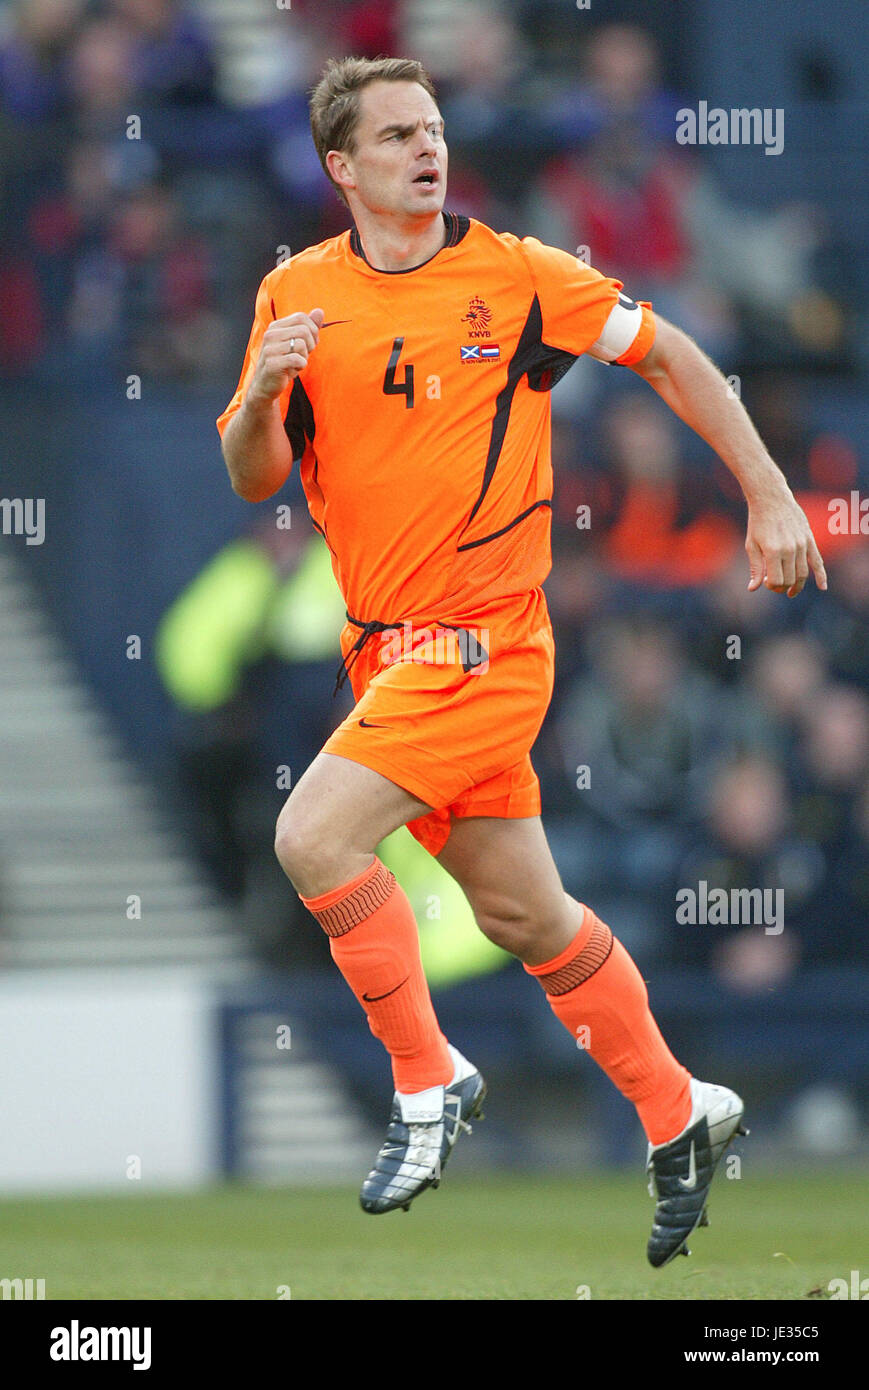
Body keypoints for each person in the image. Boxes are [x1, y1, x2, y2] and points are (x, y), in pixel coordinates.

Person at [217, 55, 826, 1269]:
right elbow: (253, 472)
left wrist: (764, 491)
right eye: (393, 136)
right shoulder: (293, 293)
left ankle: (424, 1081)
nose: (423, 150)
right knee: (523, 912)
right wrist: (257, 397)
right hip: (383, 651)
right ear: (341, 167)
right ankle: (677, 1106)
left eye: (431, 129)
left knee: (312, 838)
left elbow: (668, 353)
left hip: (486, 642)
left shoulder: (515, 274)